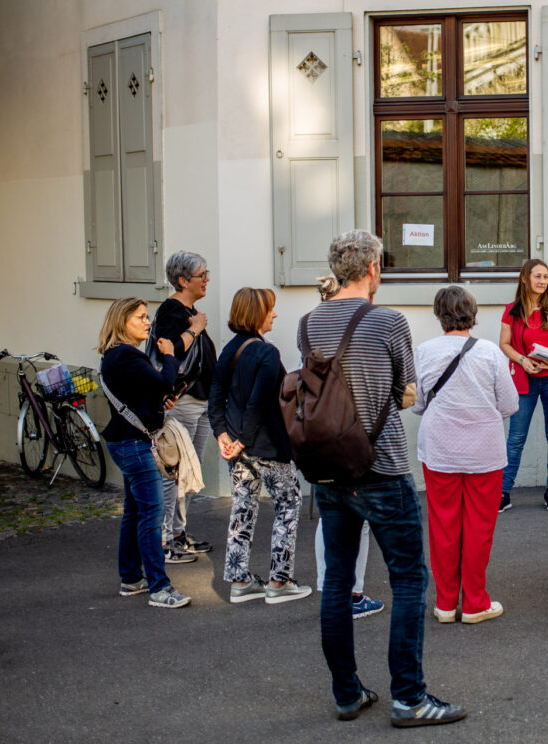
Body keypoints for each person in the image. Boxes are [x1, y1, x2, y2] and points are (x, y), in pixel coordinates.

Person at [306, 230, 466, 727]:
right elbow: (407, 393)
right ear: (373, 269)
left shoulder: (309, 323)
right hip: (381, 463)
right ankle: (409, 697)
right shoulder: (389, 321)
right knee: (409, 579)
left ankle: (347, 693)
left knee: (337, 579)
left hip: (329, 466)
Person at [413, 286, 518, 625]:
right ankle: (474, 601)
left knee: (443, 526)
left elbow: (416, 403)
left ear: (438, 314)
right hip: (484, 451)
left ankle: (445, 603)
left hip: (440, 448)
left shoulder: (424, 351)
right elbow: (509, 404)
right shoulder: (489, 352)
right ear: (472, 313)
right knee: (479, 528)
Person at [208, 287, 311, 605]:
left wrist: (223, 435)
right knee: (289, 503)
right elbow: (260, 402)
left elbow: (216, 394)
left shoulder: (230, 349)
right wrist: (241, 439)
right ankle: (279, 581)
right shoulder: (267, 354)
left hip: (238, 449)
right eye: (270, 310)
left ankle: (239, 581)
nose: (274, 315)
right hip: (265, 446)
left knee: (243, 508)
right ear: (257, 314)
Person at [97, 298, 191, 609]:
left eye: (147, 316)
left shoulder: (118, 357)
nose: (148, 322)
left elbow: (145, 391)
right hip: (134, 444)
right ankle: (159, 588)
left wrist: (158, 403)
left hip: (127, 440)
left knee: (135, 512)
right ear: (122, 321)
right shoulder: (125, 355)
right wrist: (170, 355)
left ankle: (130, 579)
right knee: (151, 515)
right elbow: (164, 380)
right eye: (141, 317)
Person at [312, 274, 385, 620]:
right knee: (361, 518)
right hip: (353, 435)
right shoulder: (370, 323)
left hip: (323, 432)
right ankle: (352, 595)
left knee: (330, 518)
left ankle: (332, 590)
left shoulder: (311, 328)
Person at [154, 251, 217, 562]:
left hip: (201, 400)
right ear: (182, 280)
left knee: (190, 471)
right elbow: (168, 352)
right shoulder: (171, 311)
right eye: (201, 275)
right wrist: (195, 328)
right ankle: (166, 539)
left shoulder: (191, 310)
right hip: (184, 401)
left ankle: (179, 532)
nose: (207, 280)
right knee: (176, 471)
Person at [498, 258, 548, 512]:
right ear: (525, 278)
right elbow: (504, 344)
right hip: (524, 379)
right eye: (538, 276)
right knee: (516, 438)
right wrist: (522, 360)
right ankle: (504, 492)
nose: (543, 281)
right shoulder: (511, 310)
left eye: (546, 277)